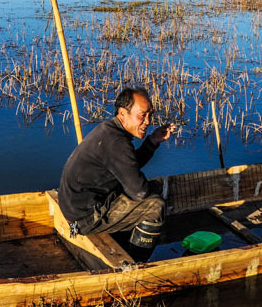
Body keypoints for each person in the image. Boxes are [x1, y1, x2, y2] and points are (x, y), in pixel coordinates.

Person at [58, 87, 175, 261]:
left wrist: (152, 141)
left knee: (152, 188)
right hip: (84, 218)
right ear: (122, 113)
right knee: (155, 206)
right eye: (142, 115)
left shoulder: (109, 129)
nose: (148, 121)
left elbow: (127, 166)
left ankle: (122, 237)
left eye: (150, 115)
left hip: (76, 209)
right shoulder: (117, 142)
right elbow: (140, 191)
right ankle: (135, 263)